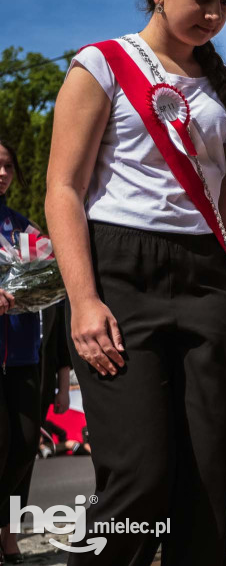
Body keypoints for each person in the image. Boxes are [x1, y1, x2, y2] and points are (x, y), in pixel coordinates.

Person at [46, 0, 226, 564]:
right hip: (120, 276)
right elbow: (62, 190)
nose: (214, 13)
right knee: (138, 479)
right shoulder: (101, 64)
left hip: (204, 278)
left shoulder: (214, 90)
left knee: (205, 485)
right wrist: (83, 300)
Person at [0, 139, 43, 564]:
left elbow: (55, 274)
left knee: (26, 445)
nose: (3, 173)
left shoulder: (24, 229)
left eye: (8, 165)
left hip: (26, 354)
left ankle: (9, 532)